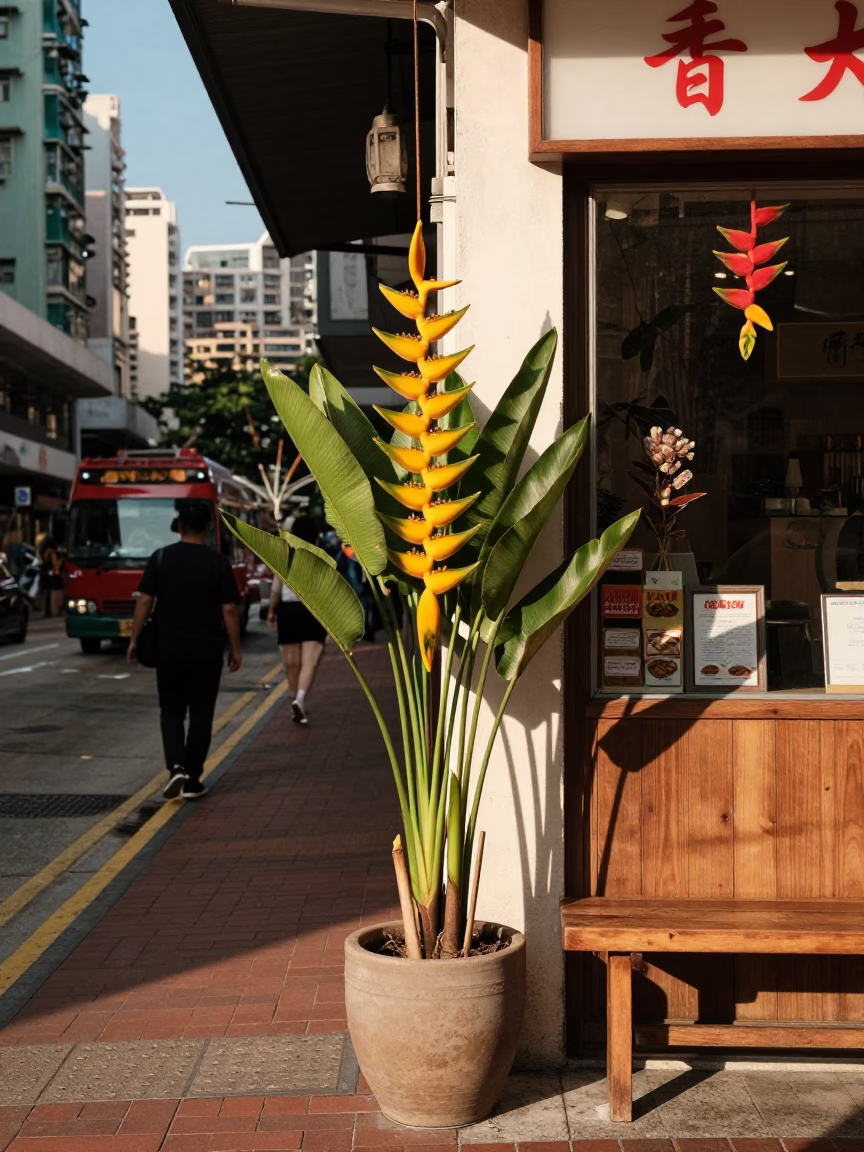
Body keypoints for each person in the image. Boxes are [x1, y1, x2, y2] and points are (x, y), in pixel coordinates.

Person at [127, 501, 242, 800]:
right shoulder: (218, 563)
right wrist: (235, 648)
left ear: (179, 526)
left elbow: (144, 601)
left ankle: (176, 766)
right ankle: (192, 779)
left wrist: (134, 638)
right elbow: (229, 609)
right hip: (206, 650)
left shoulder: (161, 557)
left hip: (169, 649)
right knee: (202, 714)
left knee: (171, 710)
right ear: (207, 528)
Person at [267, 514, 325, 724]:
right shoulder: (321, 556)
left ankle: (293, 698)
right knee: (310, 660)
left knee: (291, 662)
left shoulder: (286, 555)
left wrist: (272, 611)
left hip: (288, 610)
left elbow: (275, 589)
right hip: (313, 610)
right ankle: (299, 699)